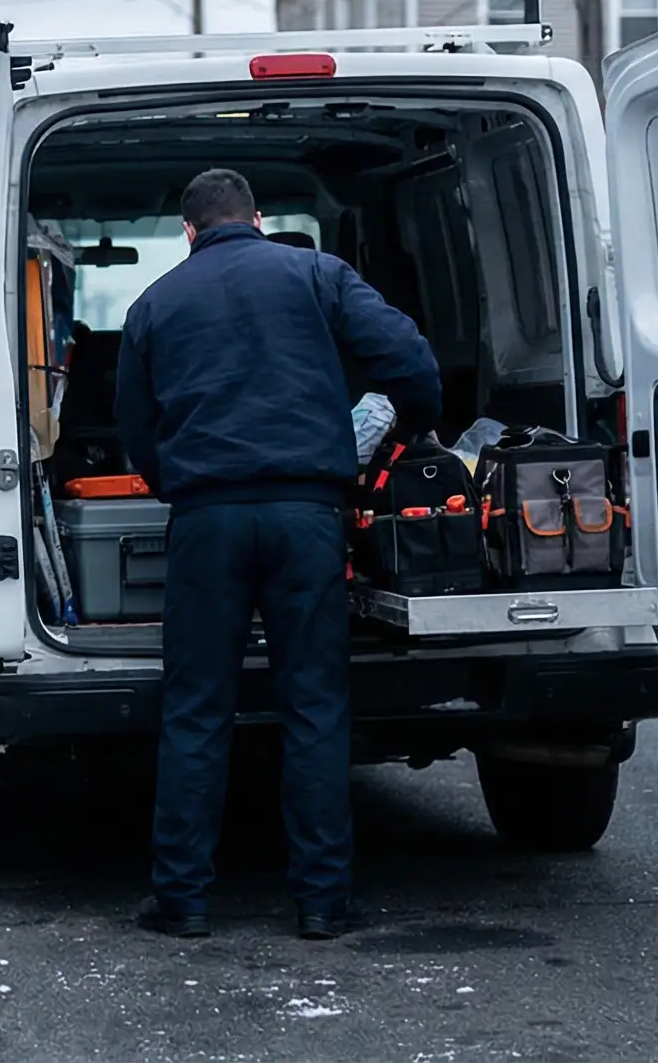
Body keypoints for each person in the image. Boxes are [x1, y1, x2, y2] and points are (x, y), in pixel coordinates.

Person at [113, 168, 440, 941]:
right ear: (257, 219)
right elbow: (410, 362)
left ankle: (184, 900)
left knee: (197, 710)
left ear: (188, 233)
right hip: (307, 516)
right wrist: (412, 431)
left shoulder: (154, 304)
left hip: (207, 520)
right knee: (314, 707)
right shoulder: (317, 273)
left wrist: (178, 486)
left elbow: (136, 425)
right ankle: (323, 902)